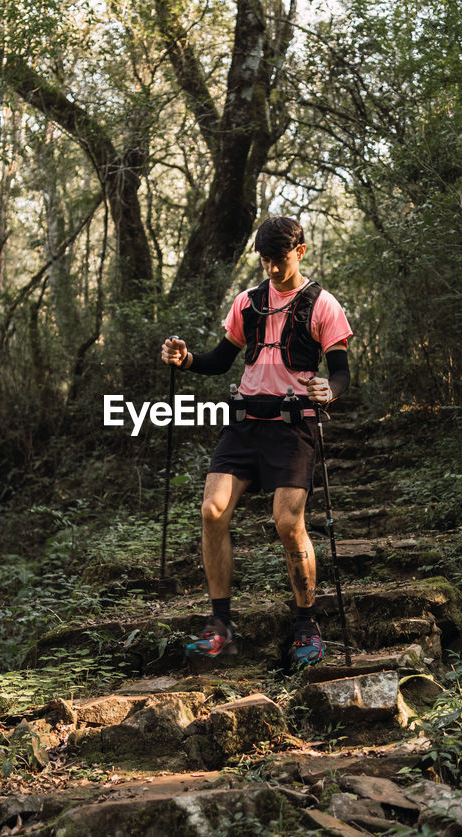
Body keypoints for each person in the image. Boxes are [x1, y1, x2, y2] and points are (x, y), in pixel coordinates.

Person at [160, 217, 352, 667]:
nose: (270, 268)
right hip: (245, 421)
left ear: (300, 251)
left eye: (279, 259)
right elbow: (219, 360)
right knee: (212, 510)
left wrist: (332, 389)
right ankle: (220, 626)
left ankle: (307, 626)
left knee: (288, 522)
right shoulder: (246, 303)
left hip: (293, 426)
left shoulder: (323, 305)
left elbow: (340, 370)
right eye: (264, 260)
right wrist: (185, 358)